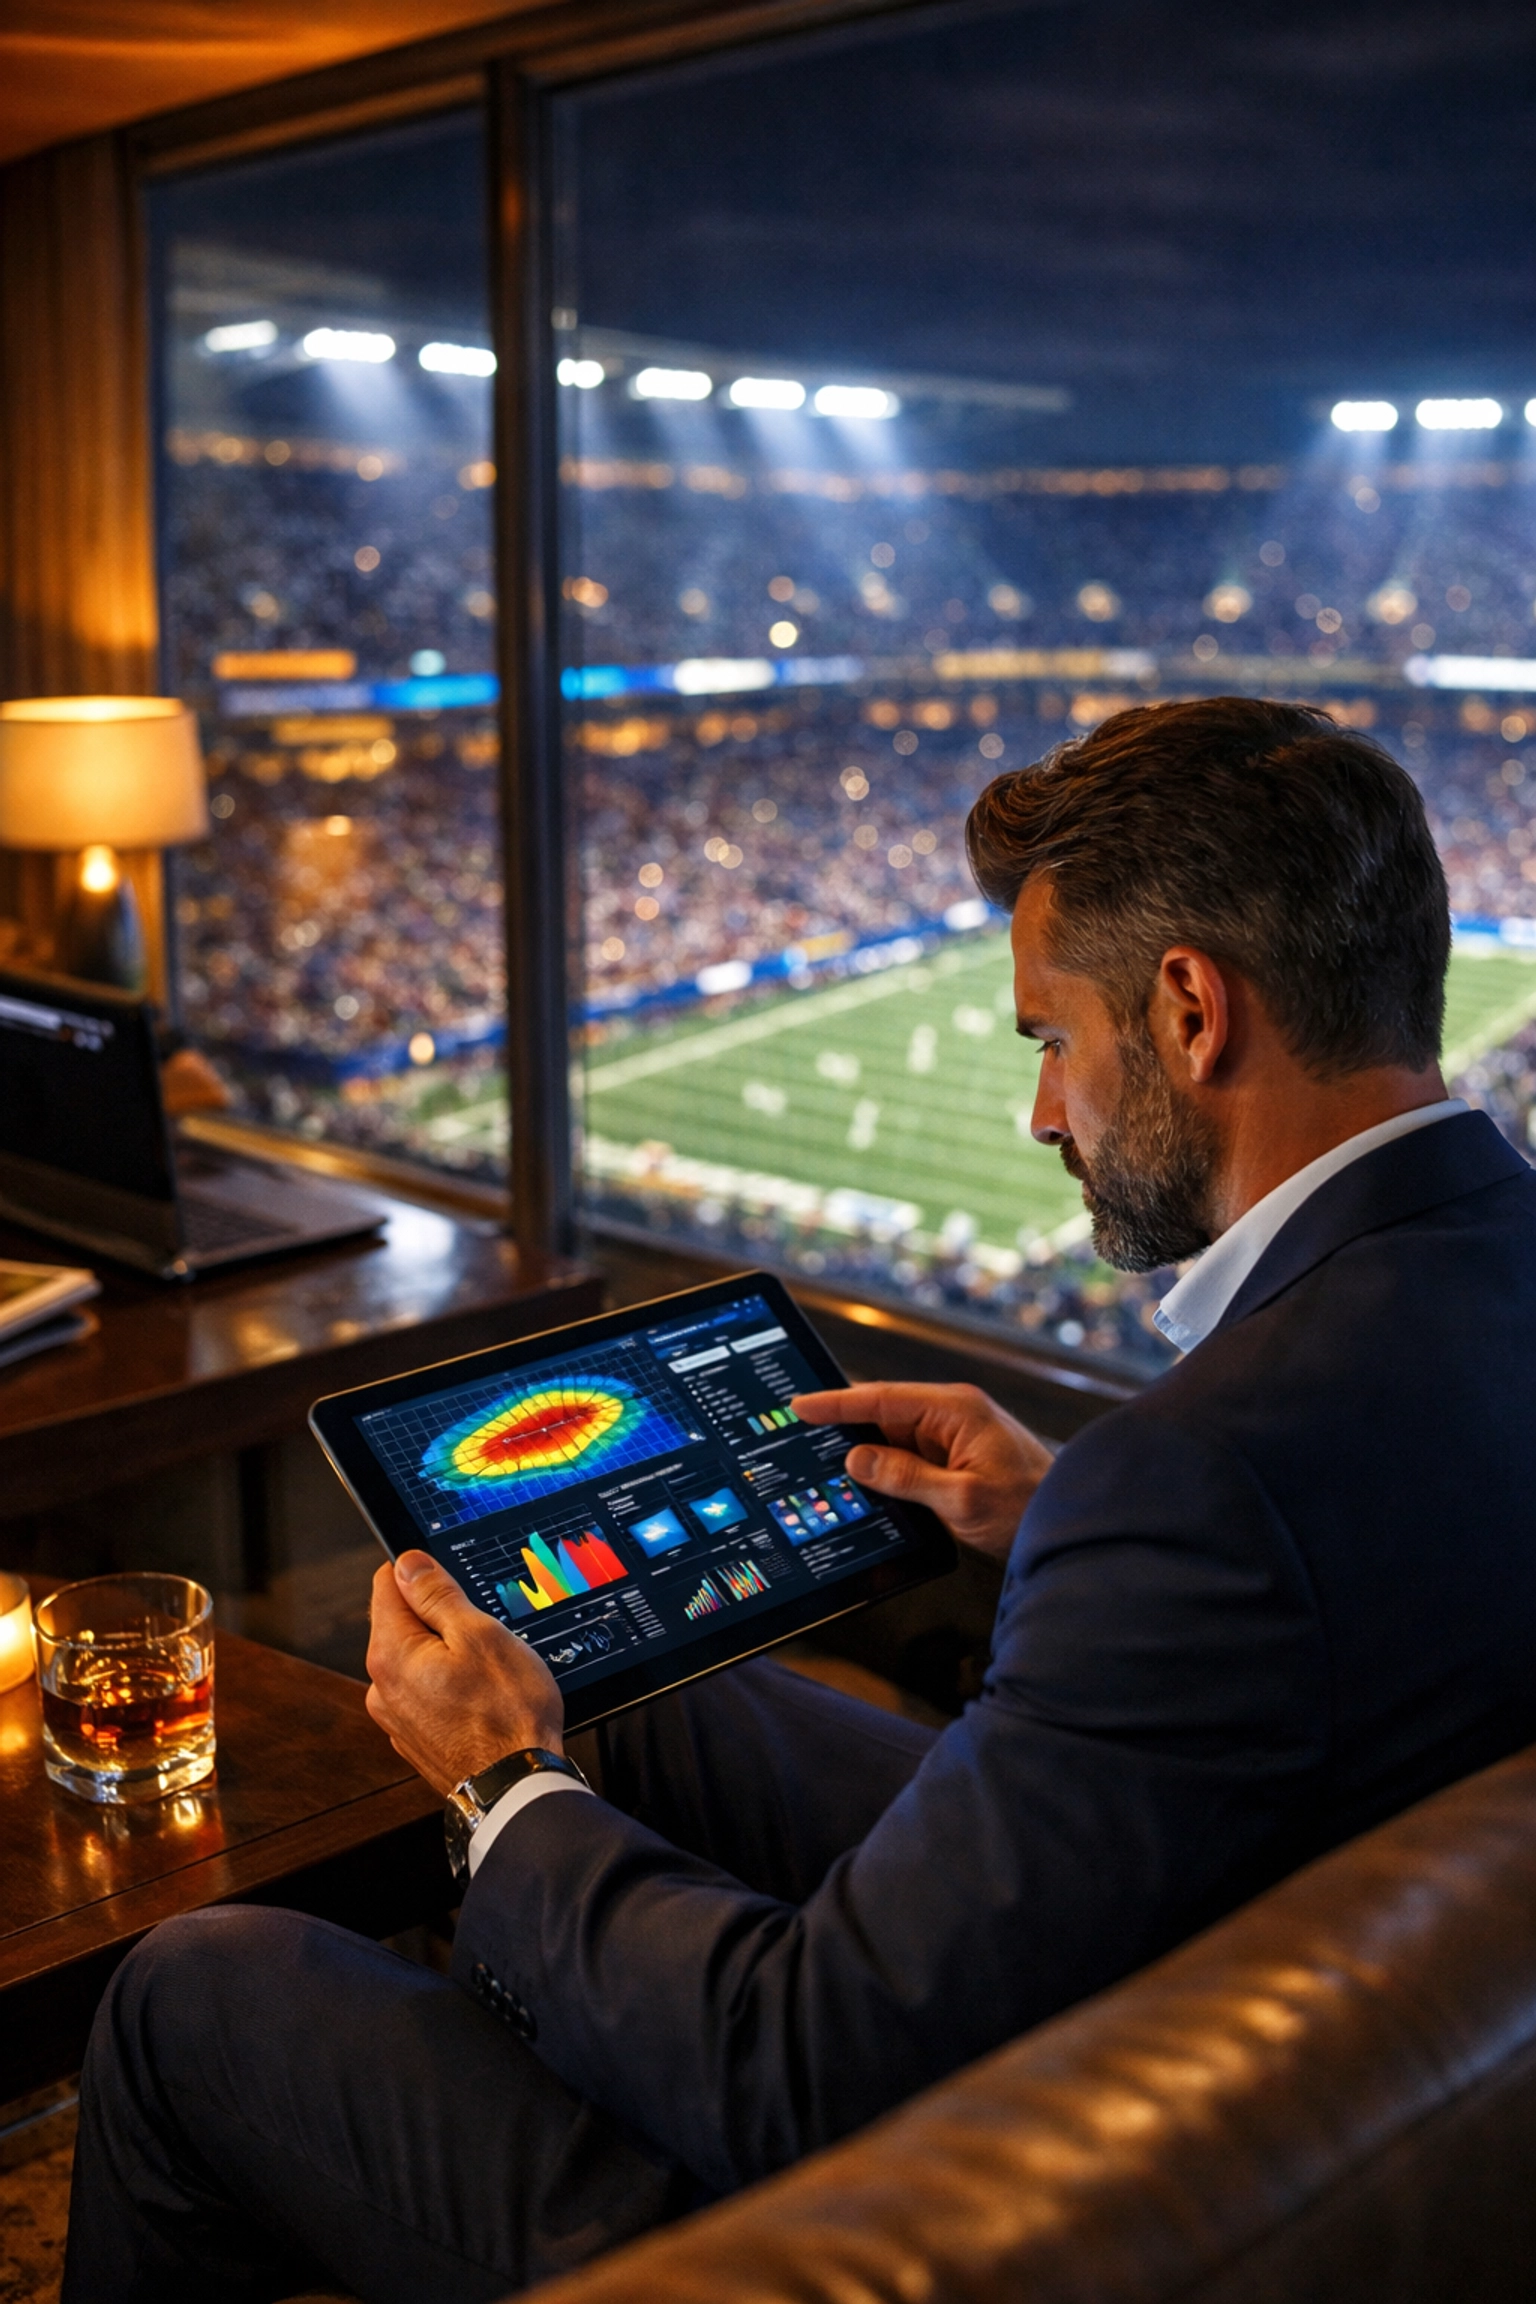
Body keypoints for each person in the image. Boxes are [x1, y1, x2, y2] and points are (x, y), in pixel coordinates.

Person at [63, 696, 1536, 2304]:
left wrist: (500, 1781)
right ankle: (579, 2007)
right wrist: (1065, 1520)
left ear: (1191, 1010)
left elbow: (801, 2076)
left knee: (195, 1985)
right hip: (1311, 2026)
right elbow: (1347, 1593)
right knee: (648, 1703)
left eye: (1050, 1040)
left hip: (1081, 2190)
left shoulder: (1201, 1480)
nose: (1046, 1112)